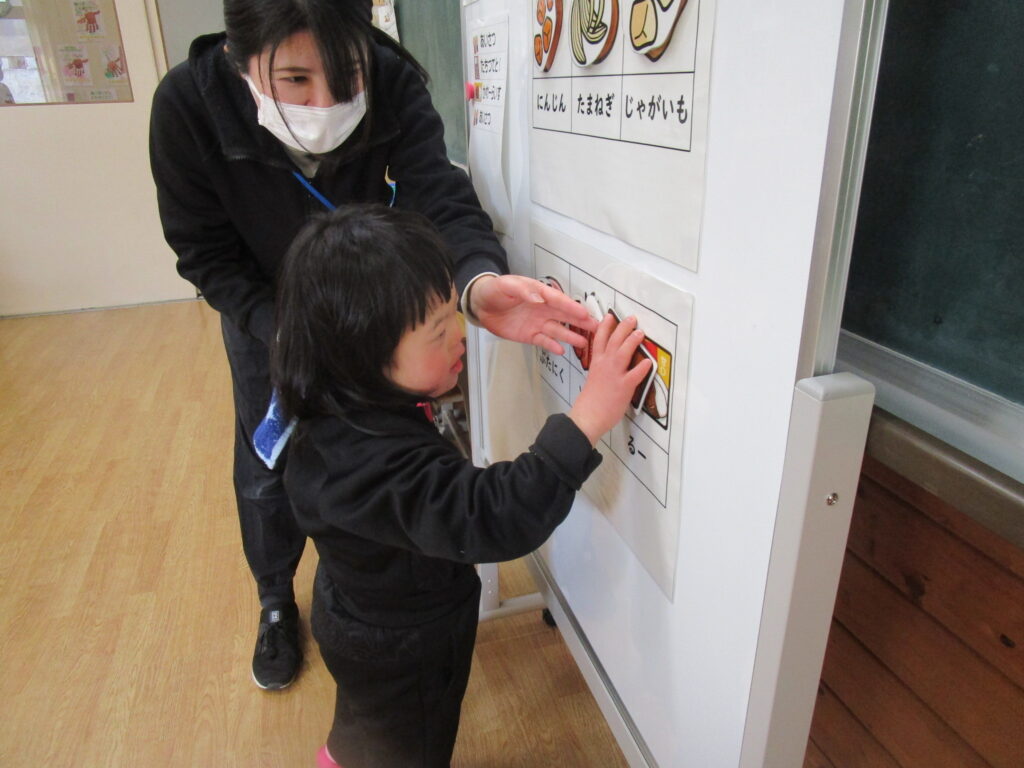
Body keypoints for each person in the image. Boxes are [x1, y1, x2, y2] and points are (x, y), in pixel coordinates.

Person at [148, 0, 596, 691]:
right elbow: (205, 254)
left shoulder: (390, 76)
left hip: (375, 320)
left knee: (379, 455)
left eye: (346, 76)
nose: (325, 104)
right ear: (241, 60)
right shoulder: (187, 105)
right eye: (295, 81)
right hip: (269, 317)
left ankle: (367, 574)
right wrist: (292, 333)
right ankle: (276, 599)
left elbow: (439, 194)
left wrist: (475, 285)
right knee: (270, 460)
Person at [272, 204, 652, 768]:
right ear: (364, 357)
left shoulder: (337, 408)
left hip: (362, 615)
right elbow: (494, 516)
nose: (461, 335)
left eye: (454, 311)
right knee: (406, 748)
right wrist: (588, 417)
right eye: (437, 330)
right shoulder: (372, 464)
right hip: (401, 649)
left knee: (369, 731)